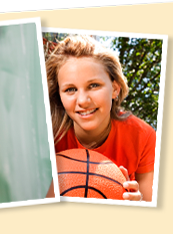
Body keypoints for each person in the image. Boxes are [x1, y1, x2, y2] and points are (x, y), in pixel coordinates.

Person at [45, 35, 156, 201]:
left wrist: (139, 205)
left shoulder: (143, 137)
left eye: (94, 85)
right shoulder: (48, 137)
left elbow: (151, 206)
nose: (83, 101)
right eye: (70, 89)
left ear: (115, 89)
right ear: (59, 95)